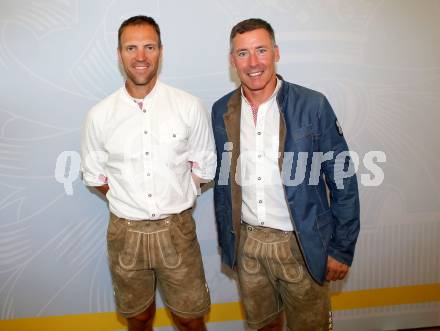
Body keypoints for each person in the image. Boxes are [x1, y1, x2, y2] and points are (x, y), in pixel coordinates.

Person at [211, 18, 360, 331]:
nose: (253, 63)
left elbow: (343, 180)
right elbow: (224, 184)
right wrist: (230, 243)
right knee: (262, 326)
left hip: (302, 244)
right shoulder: (221, 110)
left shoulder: (313, 104)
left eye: (261, 50)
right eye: (243, 53)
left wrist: (341, 248)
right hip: (248, 244)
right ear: (231, 60)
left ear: (276, 53)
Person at [80, 15, 215, 331]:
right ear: (119, 54)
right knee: (138, 318)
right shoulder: (99, 115)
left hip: (177, 231)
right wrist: (131, 200)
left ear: (160, 51)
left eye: (149, 47)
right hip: (125, 234)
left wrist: (179, 192)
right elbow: (94, 176)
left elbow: (206, 167)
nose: (140, 57)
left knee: (190, 319)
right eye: (131, 48)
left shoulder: (188, 106)